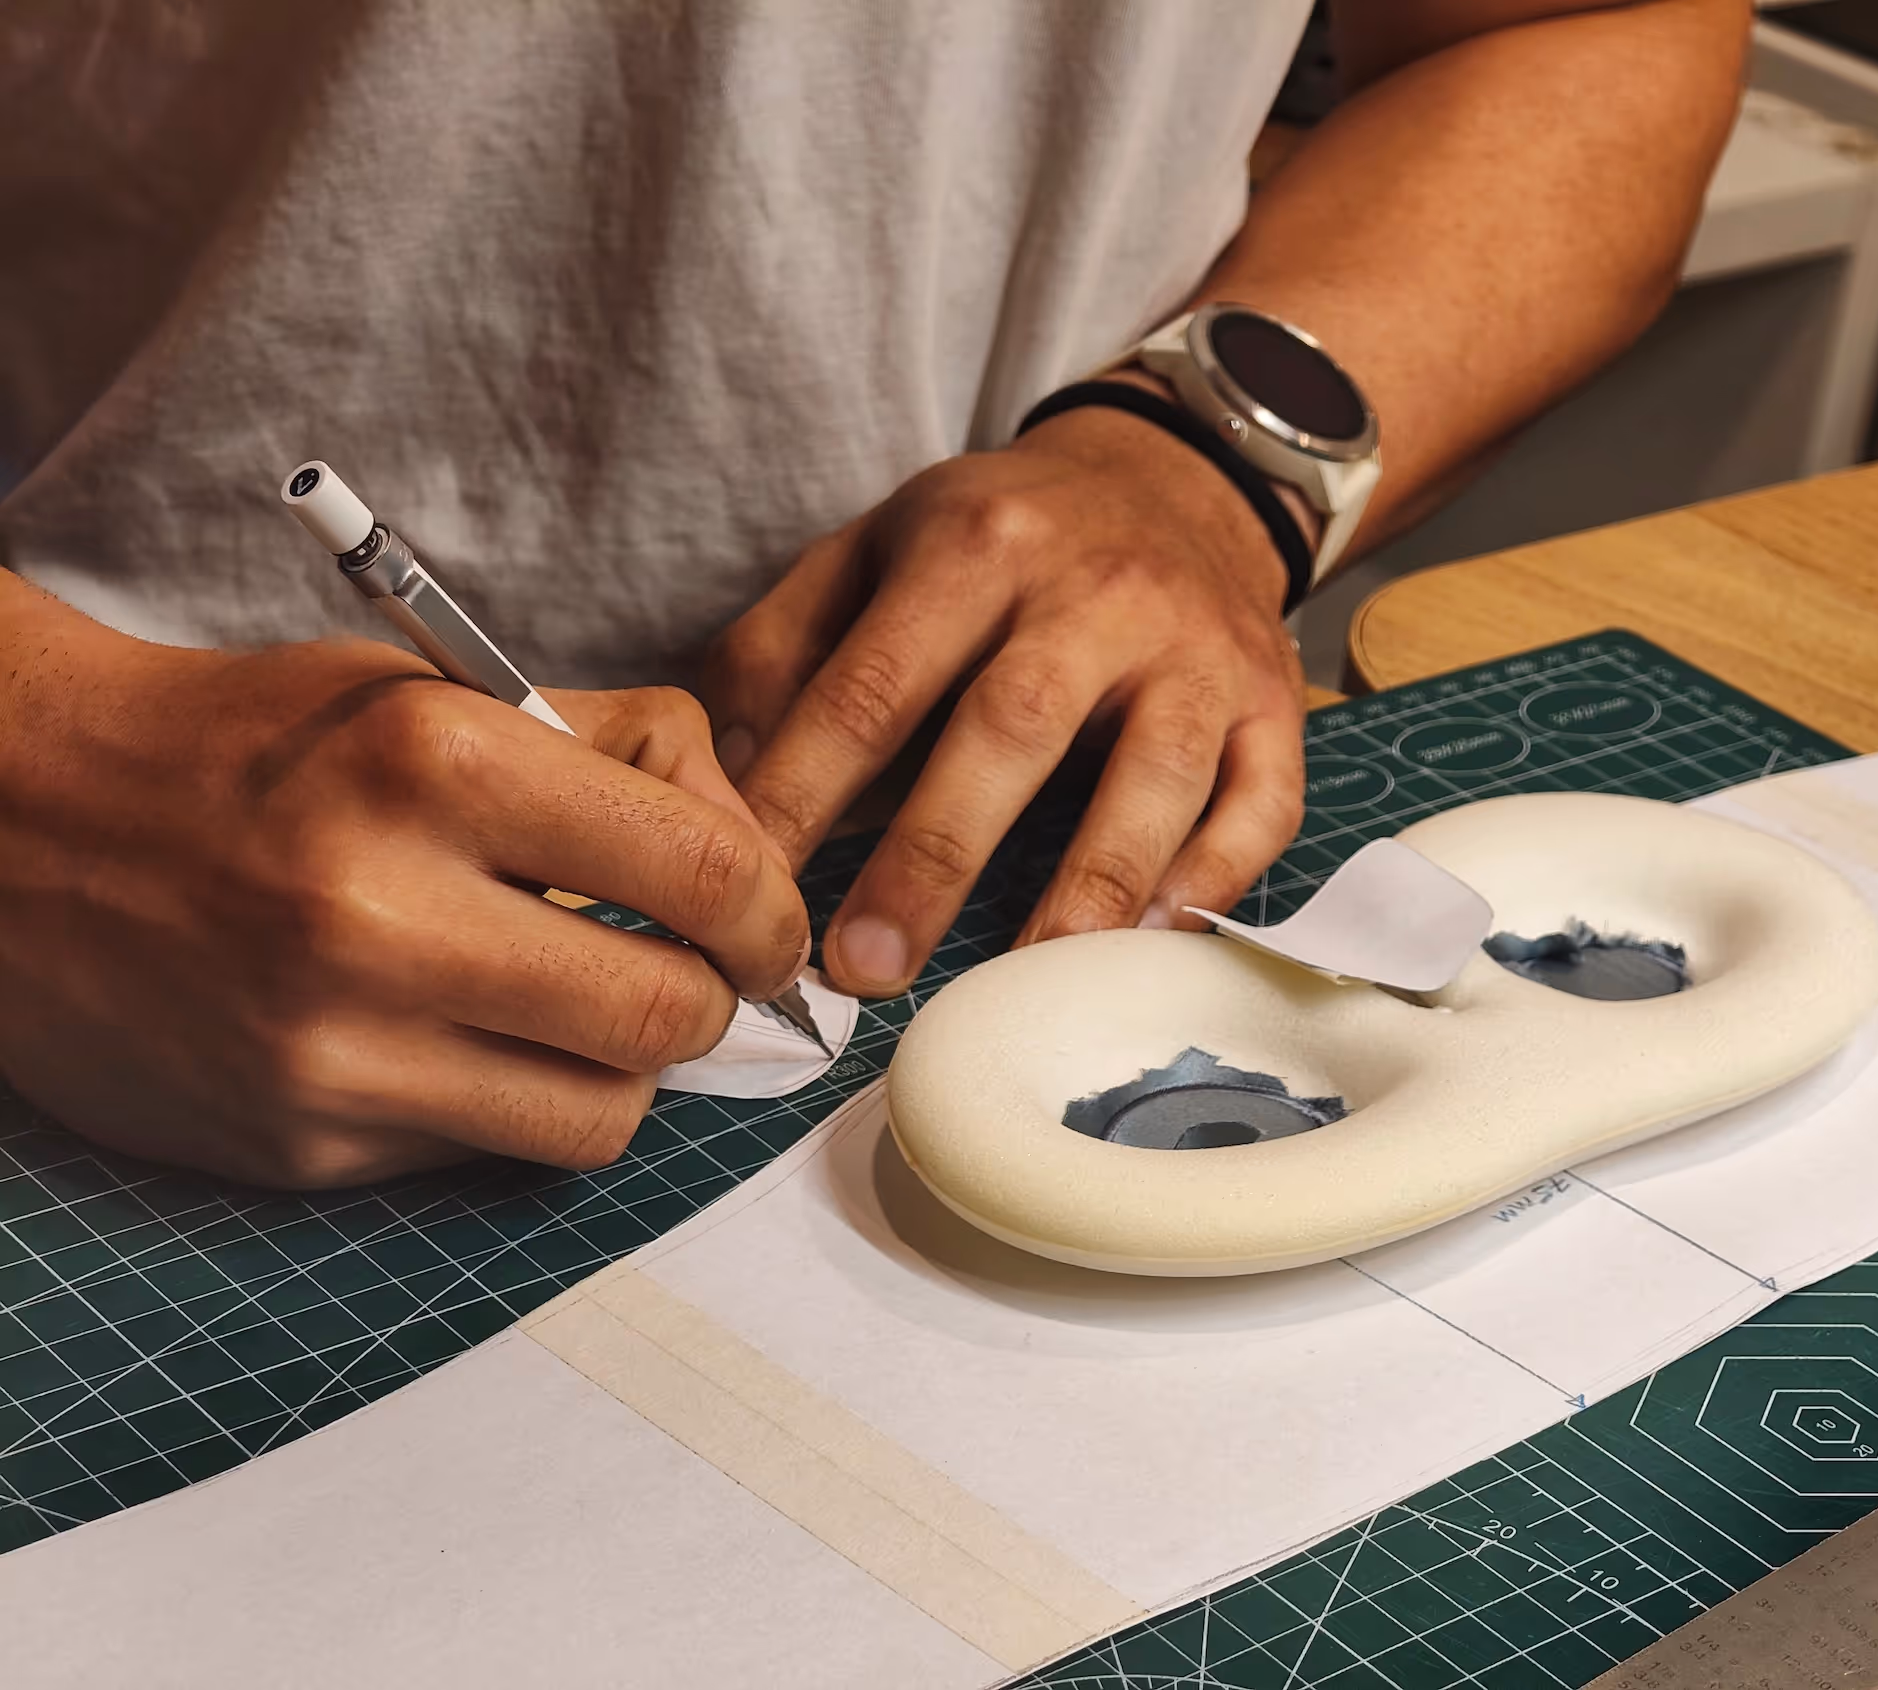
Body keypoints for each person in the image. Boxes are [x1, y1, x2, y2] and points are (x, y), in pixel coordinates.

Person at [0, 0, 1748, 1186]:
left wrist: (1203, 466)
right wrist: (42, 757)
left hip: (1028, 793)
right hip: (124, 858)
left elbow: (1580, 32)